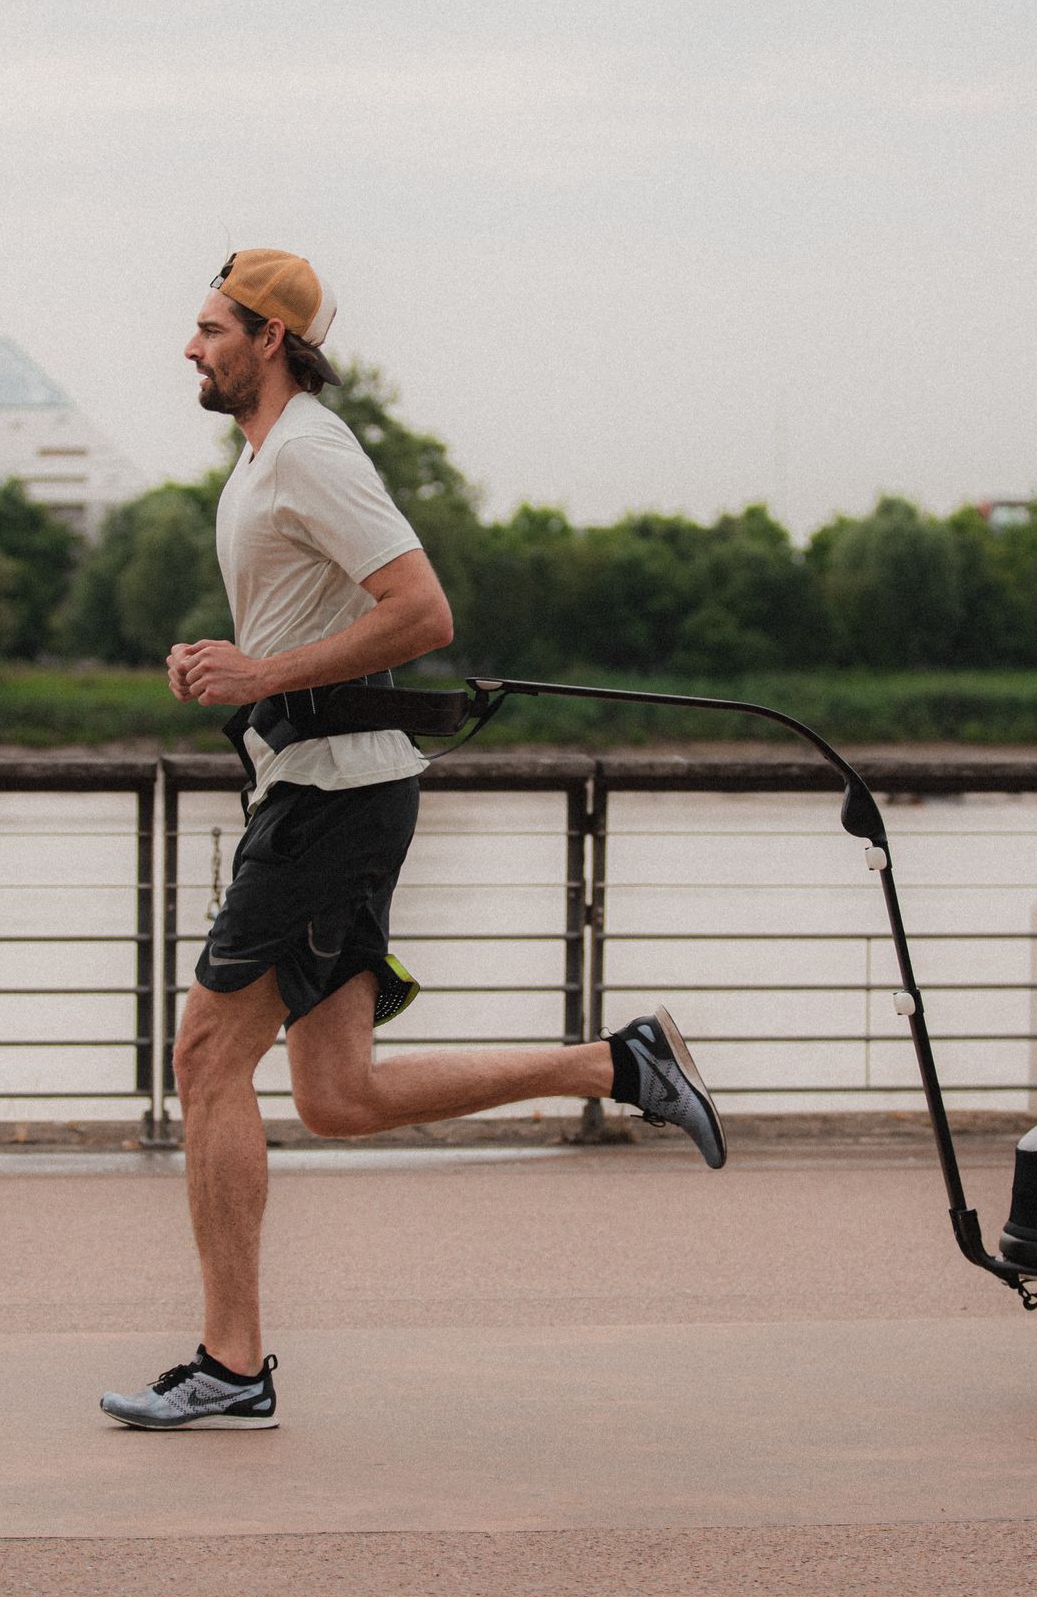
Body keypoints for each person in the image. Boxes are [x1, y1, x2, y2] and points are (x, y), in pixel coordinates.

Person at [100, 249, 724, 1431]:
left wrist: (266, 672)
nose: (190, 347)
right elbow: (310, 627)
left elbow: (422, 611)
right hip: (327, 786)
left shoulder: (312, 453)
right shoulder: (262, 466)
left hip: (331, 802)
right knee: (335, 1094)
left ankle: (231, 1368)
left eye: (210, 329)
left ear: (269, 338)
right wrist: (230, 669)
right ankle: (620, 1063)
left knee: (203, 1059)